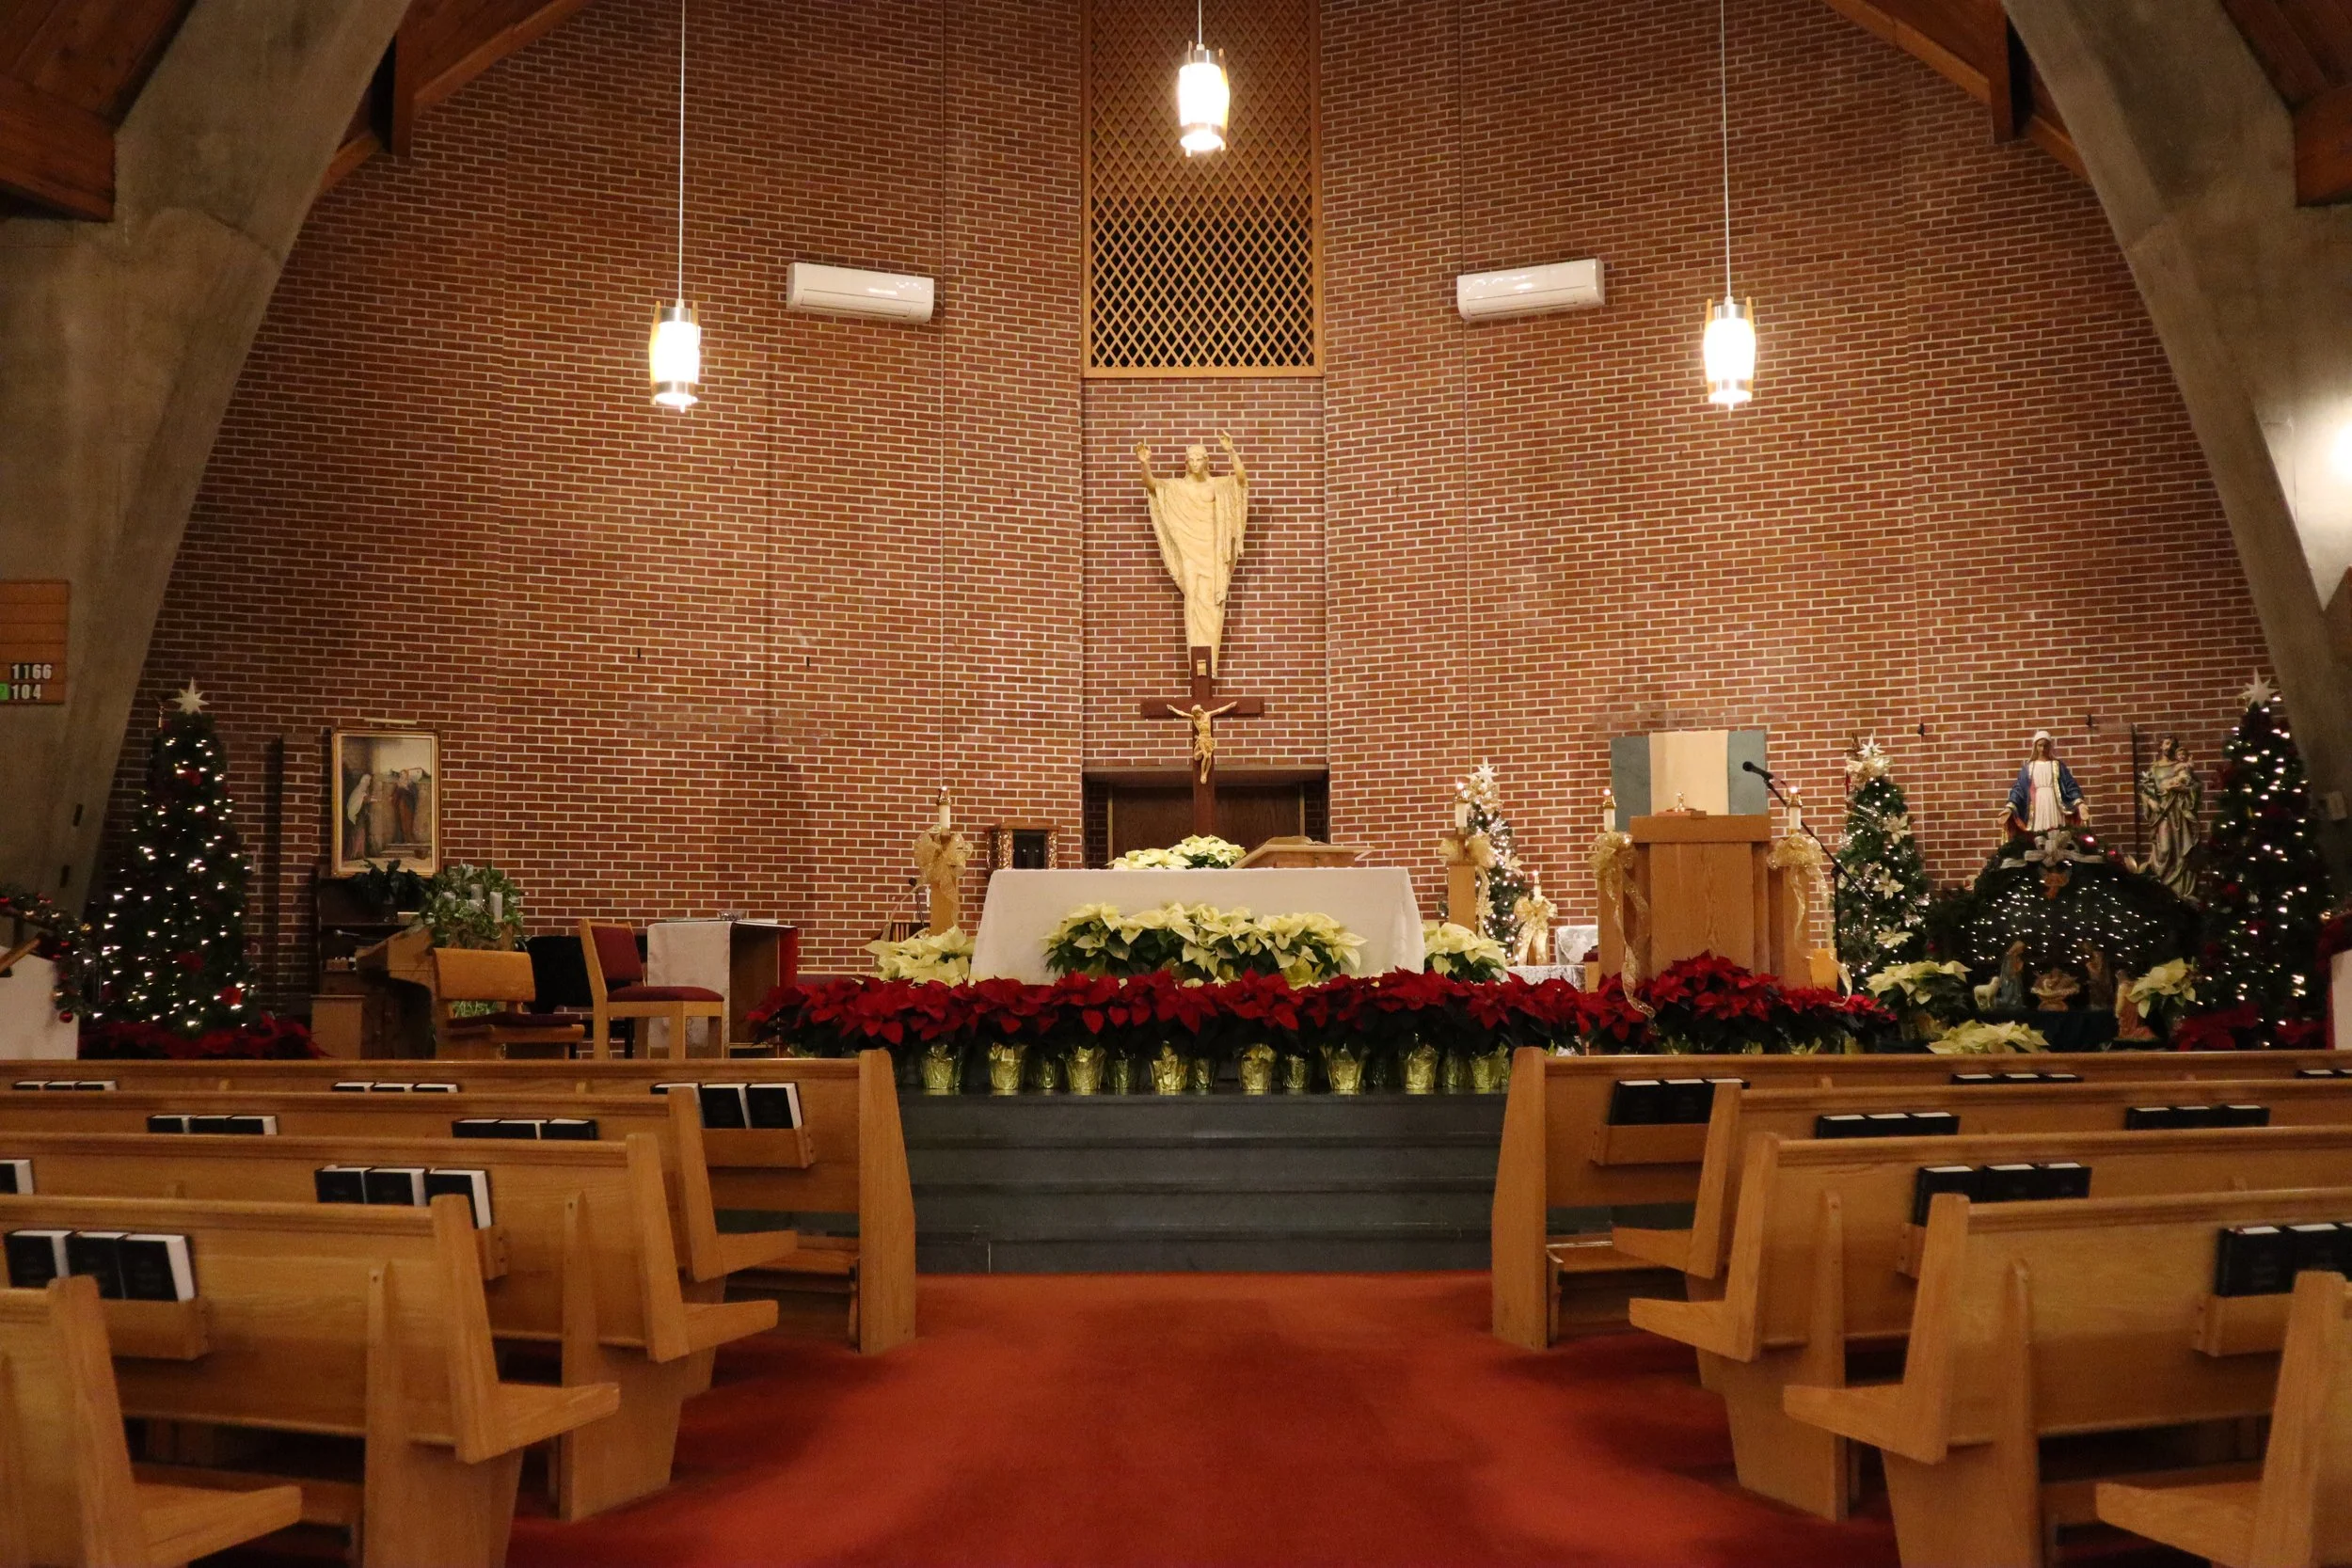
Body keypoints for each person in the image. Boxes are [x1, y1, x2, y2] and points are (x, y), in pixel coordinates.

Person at [1136, 433, 1248, 671]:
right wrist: (1145, 463)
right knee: (1192, 596)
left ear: (1206, 461)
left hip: (1212, 550)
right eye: (1191, 460)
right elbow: (1152, 485)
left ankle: (1210, 661)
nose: (1195, 463)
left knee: (1212, 602)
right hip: (1189, 550)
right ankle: (1196, 657)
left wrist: (1231, 452)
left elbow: (1240, 480)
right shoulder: (1177, 487)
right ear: (1186, 463)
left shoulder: (1217, 485)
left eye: (1199, 459)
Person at [2135, 736, 2201, 899]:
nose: (2169, 746)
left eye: (2172, 744)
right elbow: (2145, 791)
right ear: (2161, 746)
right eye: (2166, 743)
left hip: (2177, 812)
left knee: (2179, 850)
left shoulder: (2180, 766)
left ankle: (2179, 892)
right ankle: (2160, 886)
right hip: (2161, 813)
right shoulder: (2154, 768)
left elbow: (2193, 786)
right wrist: (2151, 802)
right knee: (2164, 849)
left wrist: (2181, 788)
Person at [2006, 731, 2085, 836]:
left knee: (2056, 829)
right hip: (2037, 803)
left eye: (2045, 746)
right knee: (2039, 830)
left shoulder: (2057, 766)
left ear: (2050, 747)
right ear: (2035, 746)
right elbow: (2019, 789)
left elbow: (2070, 785)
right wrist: (2010, 806)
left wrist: (2080, 803)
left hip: (2054, 802)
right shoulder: (2028, 768)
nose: (2042, 749)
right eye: (2040, 745)